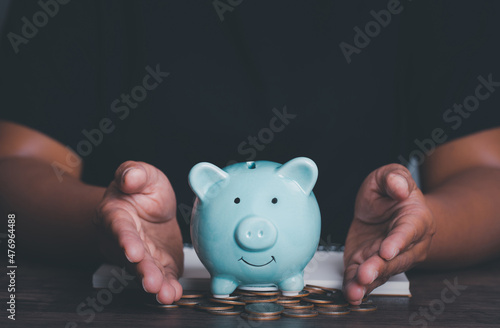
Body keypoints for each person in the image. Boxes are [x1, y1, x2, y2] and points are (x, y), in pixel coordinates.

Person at [1, 0, 499, 306]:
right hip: (135, 287)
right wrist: (102, 219)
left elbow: (485, 172)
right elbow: (13, 170)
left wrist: (423, 223)